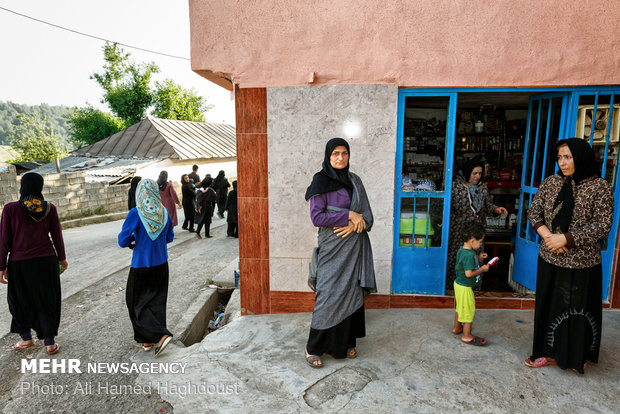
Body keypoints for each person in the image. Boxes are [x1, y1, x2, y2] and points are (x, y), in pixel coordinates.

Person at [524, 138, 614, 373]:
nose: (562, 162)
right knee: (548, 306)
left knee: (575, 310)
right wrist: (548, 237)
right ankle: (544, 352)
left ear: (581, 157)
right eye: (559, 157)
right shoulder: (552, 182)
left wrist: (567, 239)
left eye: (567, 157)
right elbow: (533, 211)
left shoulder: (599, 187)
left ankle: (575, 357)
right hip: (550, 257)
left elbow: (602, 224)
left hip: (582, 263)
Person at [303, 137, 377, 368]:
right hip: (332, 249)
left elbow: (368, 217)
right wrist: (348, 215)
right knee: (328, 293)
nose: (340, 157)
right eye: (335, 153)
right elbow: (317, 217)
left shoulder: (355, 181)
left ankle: (344, 343)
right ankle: (313, 347)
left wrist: (358, 221)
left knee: (350, 292)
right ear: (328, 156)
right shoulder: (320, 181)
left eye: (344, 153)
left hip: (354, 248)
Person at [0, 172, 67, 355]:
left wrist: (1, 266)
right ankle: (50, 343)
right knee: (47, 300)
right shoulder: (49, 208)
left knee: (19, 301)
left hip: (19, 264)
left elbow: (4, 239)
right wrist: (62, 258)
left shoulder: (11, 209)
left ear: (23, 186)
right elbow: (57, 236)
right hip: (46, 262)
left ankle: (26, 339)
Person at [118, 179, 174, 356]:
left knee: (135, 304)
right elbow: (169, 237)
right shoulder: (163, 211)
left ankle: (161, 336)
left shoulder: (136, 212)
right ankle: (147, 341)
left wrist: (134, 241)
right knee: (156, 302)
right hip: (161, 265)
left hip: (141, 265)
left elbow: (122, 240)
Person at [446, 156, 507, 290]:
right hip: (458, 233)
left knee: (475, 261)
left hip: (477, 233)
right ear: (468, 172)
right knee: (458, 262)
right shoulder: (455, 187)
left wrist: (496, 209)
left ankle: (474, 289)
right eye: (475, 173)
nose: (478, 176)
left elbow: (486, 205)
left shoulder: (482, 188)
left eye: (480, 173)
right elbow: (446, 207)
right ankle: (454, 289)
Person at [452, 221, 490, 346]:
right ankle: (467, 335)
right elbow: (469, 273)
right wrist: (482, 269)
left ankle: (457, 328)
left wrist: (478, 258)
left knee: (460, 308)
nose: (480, 244)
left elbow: (464, 263)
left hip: (459, 284)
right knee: (468, 310)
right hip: (465, 287)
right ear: (472, 240)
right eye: (480, 242)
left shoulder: (463, 250)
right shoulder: (469, 254)